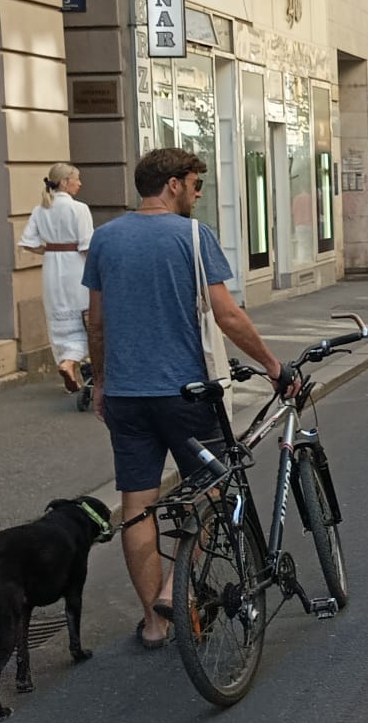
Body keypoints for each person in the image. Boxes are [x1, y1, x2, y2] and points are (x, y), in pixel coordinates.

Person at [83, 148, 289, 648]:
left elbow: (96, 321)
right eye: (196, 185)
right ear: (173, 184)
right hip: (187, 395)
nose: (199, 194)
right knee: (216, 485)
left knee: (137, 508)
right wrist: (271, 364)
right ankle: (176, 591)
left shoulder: (105, 239)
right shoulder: (194, 237)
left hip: (128, 397)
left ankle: (154, 625)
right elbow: (228, 316)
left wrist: (102, 382)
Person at [19, 162, 95, 402]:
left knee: (58, 314)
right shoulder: (80, 209)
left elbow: (28, 242)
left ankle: (65, 361)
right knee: (84, 317)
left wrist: (50, 250)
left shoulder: (40, 209)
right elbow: (86, 245)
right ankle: (71, 361)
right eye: (77, 179)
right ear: (65, 182)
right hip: (75, 267)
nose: (80, 183)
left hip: (52, 267)